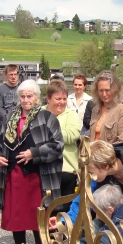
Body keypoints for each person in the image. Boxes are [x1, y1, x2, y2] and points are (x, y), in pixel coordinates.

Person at [0, 79, 63, 244]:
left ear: (37, 98)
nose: (25, 99)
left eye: (29, 96)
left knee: (38, 218)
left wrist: (34, 153)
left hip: (38, 177)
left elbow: (58, 146)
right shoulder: (9, 117)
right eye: (22, 96)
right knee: (17, 218)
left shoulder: (47, 117)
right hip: (13, 176)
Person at [45, 80, 82, 212]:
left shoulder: (71, 115)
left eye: (64, 98)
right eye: (58, 99)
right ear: (48, 98)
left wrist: (46, 132)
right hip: (44, 168)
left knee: (63, 211)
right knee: (45, 208)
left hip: (66, 169)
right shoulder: (39, 113)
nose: (62, 102)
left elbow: (72, 135)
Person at [89, 70, 123, 144]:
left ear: (115, 89)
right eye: (101, 90)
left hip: (110, 151)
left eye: (107, 90)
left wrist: (103, 150)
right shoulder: (95, 110)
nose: (104, 94)